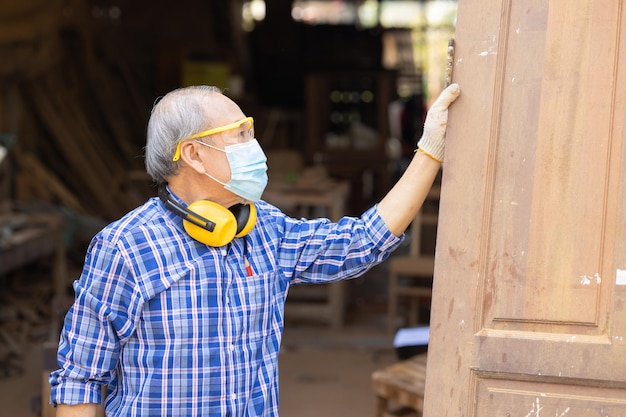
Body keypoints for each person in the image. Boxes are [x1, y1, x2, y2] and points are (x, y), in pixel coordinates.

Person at [49, 82, 460, 416]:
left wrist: (430, 151)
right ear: (193, 154)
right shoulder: (126, 247)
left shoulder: (265, 228)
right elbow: (80, 381)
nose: (254, 146)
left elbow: (361, 242)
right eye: (240, 134)